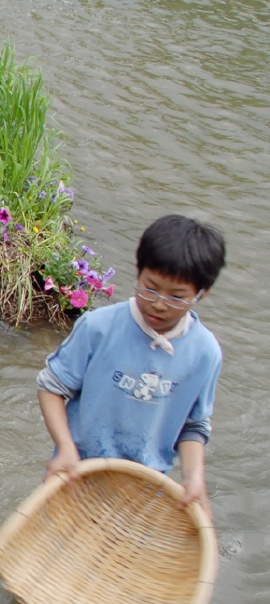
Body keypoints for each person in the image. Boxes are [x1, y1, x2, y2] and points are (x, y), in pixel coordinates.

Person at [37, 215, 225, 516]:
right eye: (150, 288)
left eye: (177, 298)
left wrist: (194, 477)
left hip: (142, 491)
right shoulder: (98, 327)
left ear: (202, 294)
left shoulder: (204, 353)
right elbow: (52, 387)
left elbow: (193, 426)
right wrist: (66, 447)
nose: (159, 304)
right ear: (138, 271)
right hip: (76, 473)